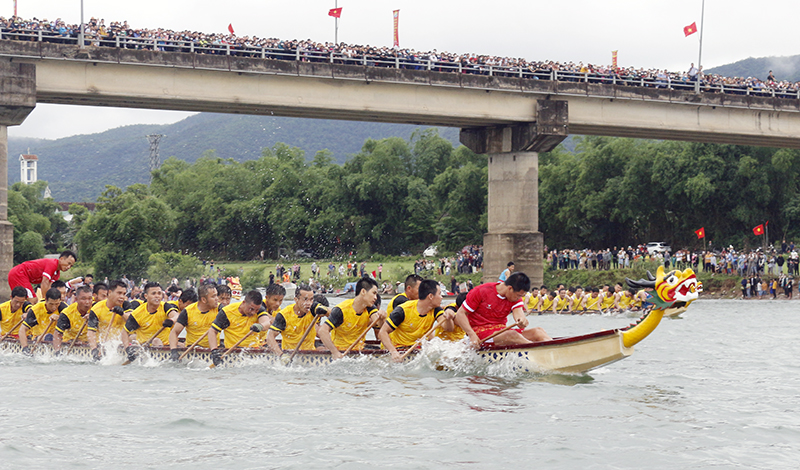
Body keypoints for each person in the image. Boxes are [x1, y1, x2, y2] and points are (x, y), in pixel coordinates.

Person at [454, 272, 552, 347]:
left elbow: (518, 313)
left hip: (501, 331)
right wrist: (471, 335)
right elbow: (460, 314)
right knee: (512, 334)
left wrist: (522, 321)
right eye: (518, 296)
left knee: (538, 331)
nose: (519, 298)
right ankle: (537, 352)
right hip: (480, 333)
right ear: (510, 288)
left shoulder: (514, 296)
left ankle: (553, 350)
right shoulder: (481, 291)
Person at [379, 279, 445, 362]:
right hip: (398, 348)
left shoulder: (435, 309)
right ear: (430, 296)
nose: (442, 297)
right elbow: (382, 332)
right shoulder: (402, 308)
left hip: (415, 347)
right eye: (439, 294)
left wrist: (450, 310)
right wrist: (393, 352)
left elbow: (446, 327)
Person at [318, 277, 384, 359]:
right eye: (373, 293)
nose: (375, 297)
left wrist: (383, 318)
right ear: (363, 291)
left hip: (360, 350)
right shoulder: (341, 310)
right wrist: (335, 352)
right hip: (341, 351)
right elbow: (322, 331)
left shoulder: (370, 308)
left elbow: (379, 325)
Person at [207, 290, 272, 366]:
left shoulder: (259, 310)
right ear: (244, 303)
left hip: (253, 352)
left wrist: (261, 326)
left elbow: (267, 322)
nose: (253, 312)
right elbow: (212, 331)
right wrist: (214, 351)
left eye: (256, 310)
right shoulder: (227, 312)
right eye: (251, 309)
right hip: (233, 352)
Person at [121, 282, 179, 361]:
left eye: (159, 293)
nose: (157, 296)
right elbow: (125, 332)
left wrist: (171, 320)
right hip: (146, 348)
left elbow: (176, 315)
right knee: (156, 340)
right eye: (153, 293)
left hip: (166, 345)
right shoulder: (137, 313)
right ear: (146, 296)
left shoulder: (165, 306)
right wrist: (127, 349)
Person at [264, 284, 327, 355]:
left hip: (310, 354)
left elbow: (333, 314)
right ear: (296, 300)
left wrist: (326, 311)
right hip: (290, 355)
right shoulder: (284, 315)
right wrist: (281, 355)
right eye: (305, 299)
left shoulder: (313, 308)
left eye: (311, 299)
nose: (309, 303)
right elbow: (270, 337)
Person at [168, 283, 220, 361]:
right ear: (204, 300)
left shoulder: (220, 309)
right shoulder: (188, 311)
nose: (217, 299)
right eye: (213, 296)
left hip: (214, 350)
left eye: (216, 295)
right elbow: (174, 333)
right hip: (192, 350)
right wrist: (174, 351)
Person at [7, 250, 77, 302]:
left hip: (21, 275)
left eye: (71, 266)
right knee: (33, 300)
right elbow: (44, 283)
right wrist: (44, 300)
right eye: (68, 263)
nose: (68, 267)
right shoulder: (52, 264)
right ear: (61, 259)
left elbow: (49, 287)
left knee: (23, 300)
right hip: (19, 273)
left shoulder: (56, 274)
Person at [87, 280, 136, 344]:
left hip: (120, 343)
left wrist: (122, 314)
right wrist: (94, 348)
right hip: (102, 343)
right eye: (119, 293)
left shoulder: (125, 304)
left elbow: (132, 321)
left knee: (134, 337)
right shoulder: (96, 308)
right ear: (109, 292)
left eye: (124, 294)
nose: (122, 297)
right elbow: (91, 332)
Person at [53, 286, 97, 357]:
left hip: (92, 343)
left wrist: (93, 316)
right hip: (72, 342)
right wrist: (57, 352)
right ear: (76, 299)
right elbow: (57, 334)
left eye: (90, 299)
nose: (87, 302)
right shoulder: (67, 313)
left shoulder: (96, 308)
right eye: (83, 299)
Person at [18, 288, 63, 353]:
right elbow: (22, 330)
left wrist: (59, 317)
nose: (54, 307)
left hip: (59, 338)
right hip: (40, 338)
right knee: (49, 337)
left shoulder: (63, 308)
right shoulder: (36, 310)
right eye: (51, 304)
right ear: (46, 300)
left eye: (57, 304)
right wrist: (25, 348)